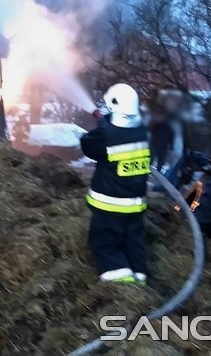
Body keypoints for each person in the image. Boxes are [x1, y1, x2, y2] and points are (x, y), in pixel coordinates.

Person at [80, 83, 150, 284]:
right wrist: (108, 125)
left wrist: (103, 127)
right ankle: (140, 276)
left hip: (110, 205)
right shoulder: (144, 131)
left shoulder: (106, 135)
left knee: (104, 242)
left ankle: (122, 284)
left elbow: (87, 144)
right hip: (136, 205)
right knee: (133, 241)